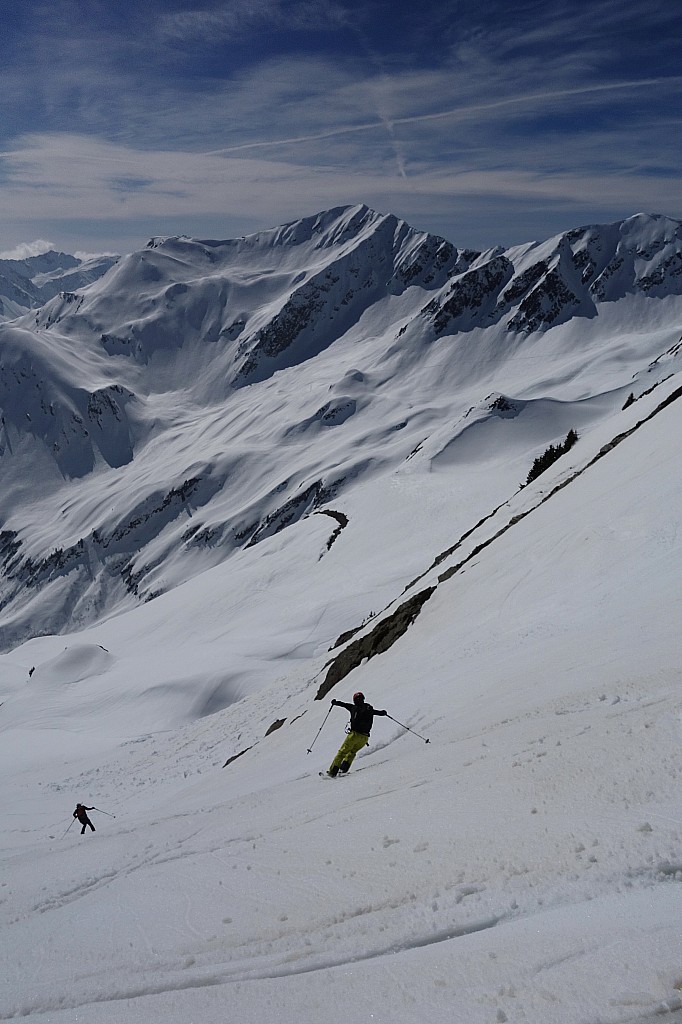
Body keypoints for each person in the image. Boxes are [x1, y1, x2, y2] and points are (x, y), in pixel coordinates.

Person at [327, 691, 387, 776]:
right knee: (352, 752)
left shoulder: (353, 707)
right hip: (364, 738)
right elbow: (379, 713)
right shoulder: (369, 709)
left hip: (354, 735)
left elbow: (343, 704)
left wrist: (335, 702)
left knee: (342, 753)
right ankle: (344, 769)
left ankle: (332, 772)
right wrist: (383, 712)